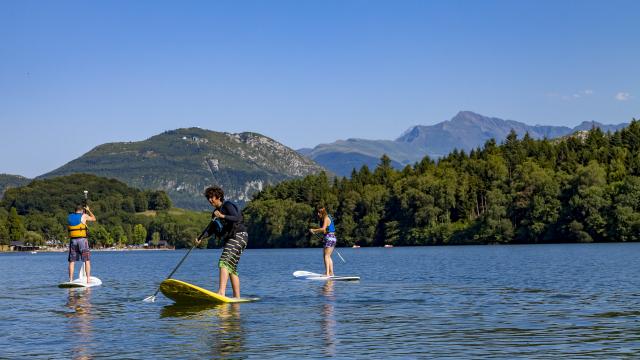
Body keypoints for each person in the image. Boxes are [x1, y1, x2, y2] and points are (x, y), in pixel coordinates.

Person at [196, 186, 248, 298]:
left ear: (218, 197)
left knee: (223, 262)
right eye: (208, 198)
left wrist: (222, 216)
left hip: (239, 235)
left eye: (211, 197)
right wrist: (200, 237)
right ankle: (237, 298)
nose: (210, 200)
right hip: (235, 238)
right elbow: (211, 230)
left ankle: (221, 292)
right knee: (231, 268)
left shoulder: (227, 205)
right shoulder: (215, 213)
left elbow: (237, 218)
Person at [67, 204, 96, 283]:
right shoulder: (84, 215)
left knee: (72, 261)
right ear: (82, 210)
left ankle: (70, 280)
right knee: (87, 260)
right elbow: (94, 218)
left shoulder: (69, 216)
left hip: (73, 240)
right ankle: (88, 279)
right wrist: (88, 210)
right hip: (82, 240)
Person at [309, 206, 336, 276]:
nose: (318, 214)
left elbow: (323, 228)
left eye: (319, 212)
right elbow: (325, 230)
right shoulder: (327, 217)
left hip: (330, 237)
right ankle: (331, 273)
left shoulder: (326, 218)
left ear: (322, 213)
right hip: (331, 237)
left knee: (326, 256)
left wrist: (313, 230)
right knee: (327, 256)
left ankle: (327, 273)